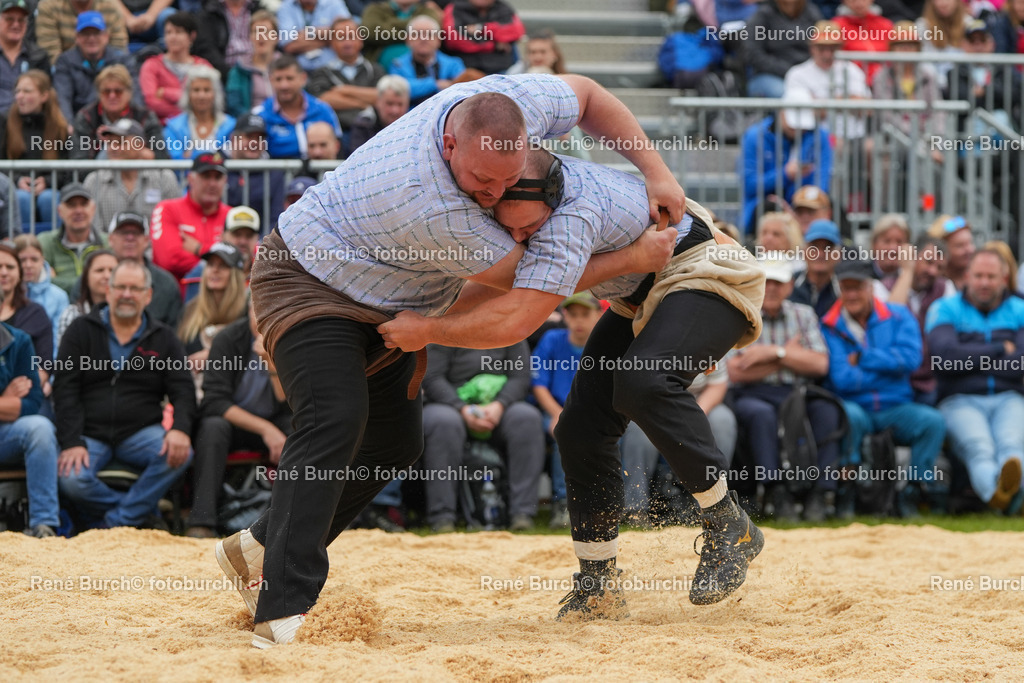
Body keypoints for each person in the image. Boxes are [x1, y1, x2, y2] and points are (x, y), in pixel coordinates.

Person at [215, 73, 685, 647]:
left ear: (528, 139)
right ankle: (280, 604)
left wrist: (657, 173)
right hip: (310, 280)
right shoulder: (429, 199)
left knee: (393, 443)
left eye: (510, 180)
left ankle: (260, 544)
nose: (494, 195)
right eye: (483, 181)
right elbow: (526, 289)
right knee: (333, 421)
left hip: (392, 297)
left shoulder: (506, 108)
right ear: (449, 146)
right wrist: (632, 257)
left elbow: (586, 94)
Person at [471, 151, 765, 618]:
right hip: (642, 297)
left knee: (643, 382)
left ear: (551, 200)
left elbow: (516, 313)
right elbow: (497, 281)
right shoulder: (536, 195)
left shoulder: (577, 212)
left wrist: (426, 331)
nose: (519, 236)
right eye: (509, 228)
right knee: (579, 429)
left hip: (709, 271)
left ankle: (731, 523)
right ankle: (597, 584)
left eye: (525, 225)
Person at [55, 259, 195, 530]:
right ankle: (141, 513)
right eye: (120, 287)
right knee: (71, 479)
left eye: (135, 288)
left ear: (148, 295)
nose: (127, 294)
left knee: (182, 452)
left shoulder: (164, 338)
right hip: (89, 434)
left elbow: (184, 389)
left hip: (141, 433)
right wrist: (72, 441)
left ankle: (113, 523)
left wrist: (180, 428)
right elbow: (64, 389)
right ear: (108, 291)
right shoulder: (80, 330)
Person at [821, 258, 945, 516]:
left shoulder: (899, 316)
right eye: (846, 288)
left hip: (895, 406)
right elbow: (843, 378)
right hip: (858, 407)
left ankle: (913, 491)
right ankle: (849, 491)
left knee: (933, 422)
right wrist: (888, 369)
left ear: (871, 287)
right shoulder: (830, 325)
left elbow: (911, 360)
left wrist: (865, 358)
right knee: (849, 416)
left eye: (858, 287)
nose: (852, 294)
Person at [726, 258, 837, 522]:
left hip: (795, 392)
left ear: (789, 286)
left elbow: (820, 364)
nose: (772, 288)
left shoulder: (804, 314)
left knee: (827, 410)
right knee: (760, 414)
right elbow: (733, 371)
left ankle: (820, 492)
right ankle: (776, 490)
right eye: (767, 282)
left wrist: (770, 353)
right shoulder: (740, 314)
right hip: (750, 393)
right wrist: (791, 356)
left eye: (778, 282)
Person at [926, 249, 1024, 512]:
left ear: (1004, 278)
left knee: (1012, 445)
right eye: (978, 275)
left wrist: (969, 356)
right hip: (959, 400)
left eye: (991, 276)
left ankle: (1001, 495)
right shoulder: (945, 308)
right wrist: (1000, 348)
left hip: (1008, 397)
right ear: (967, 276)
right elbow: (945, 359)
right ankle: (1004, 497)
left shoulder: (1020, 309)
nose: (984, 282)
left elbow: (1019, 365)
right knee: (979, 446)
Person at [187, 299, 290, 537]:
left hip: (276, 420)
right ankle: (201, 522)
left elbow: (288, 403)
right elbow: (214, 401)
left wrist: (271, 362)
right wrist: (266, 429)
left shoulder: (288, 339)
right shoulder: (228, 339)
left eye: (270, 310)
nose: (263, 319)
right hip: (235, 423)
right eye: (257, 311)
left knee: (303, 431)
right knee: (213, 427)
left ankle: (291, 520)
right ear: (247, 312)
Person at [422, 340, 546, 532]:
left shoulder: (511, 325)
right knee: (443, 422)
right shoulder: (444, 322)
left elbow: (520, 377)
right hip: (449, 404)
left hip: (499, 405)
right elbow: (432, 377)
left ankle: (522, 513)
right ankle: (442, 516)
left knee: (527, 418)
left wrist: (499, 404)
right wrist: (461, 408)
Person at [530, 291, 603, 529]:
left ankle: (604, 505)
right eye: (573, 315)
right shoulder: (552, 339)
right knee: (566, 434)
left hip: (597, 413)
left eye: (585, 314)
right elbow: (539, 384)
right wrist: (557, 414)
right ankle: (564, 504)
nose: (579, 320)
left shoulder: (606, 344)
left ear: (598, 315)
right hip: (555, 410)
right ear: (565, 316)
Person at [740, 86, 833, 232]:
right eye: (793, 125)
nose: (798, 130)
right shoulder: (755, 136)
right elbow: (750, 184)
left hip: (804, 204)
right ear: (781, 113)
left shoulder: (819, 136)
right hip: (767, 203)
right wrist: (785, 175)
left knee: (830, 208)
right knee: (768, 208)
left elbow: (822, 179)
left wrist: (804, 204)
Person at [0, 318, 60, 538]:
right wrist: (5, 399)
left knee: (40, 428)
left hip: (5, 433)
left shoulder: (18, 340)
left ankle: (44, 525)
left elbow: (33, 401)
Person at [887, 234, 956, 405]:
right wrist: (907, 271)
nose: (933, 271)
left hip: (930, 381)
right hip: (893, 378)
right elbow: (891, 319)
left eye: (939, 267)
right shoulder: (884, 286)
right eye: (928, 262)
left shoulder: (945, 288)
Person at [83, 118, 182, 233]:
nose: (113, 148)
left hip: (156, 249)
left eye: (120, 143)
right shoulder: (94, 181)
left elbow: (173, 225)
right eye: (110, 143)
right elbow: (95, 232)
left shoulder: (164, 178)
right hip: (107, 250)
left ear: (139, 145)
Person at [0, 69, 69, 234]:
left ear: (44, 96)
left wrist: (48, 182)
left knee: (49, 199)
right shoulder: (4, 122)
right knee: (20, 198)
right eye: (17, 91)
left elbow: (67, 167)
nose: (19, 97)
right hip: (16, 187)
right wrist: (16, 181)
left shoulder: (59, 127)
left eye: (27, 91)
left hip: (48, 188)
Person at [150, 151, 231, 281]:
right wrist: (221, 264)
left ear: (225, 181)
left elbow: (244, 259)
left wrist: (199, 248)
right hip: (177, 297)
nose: (212, 183)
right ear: (191, 179)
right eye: (206, 176)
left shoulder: (231, 215)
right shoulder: (167, 209)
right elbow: (170, 260)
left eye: (217, 177)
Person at [68, 63, 168, 161]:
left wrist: (135, 150)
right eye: (106, 91)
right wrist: (103, 146)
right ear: (98, 94)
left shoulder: (146, 116)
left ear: (129, 93)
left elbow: (161, 158)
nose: (112, 96)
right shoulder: (86, 117)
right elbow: (78, 161)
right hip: (99, 176)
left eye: (118, 91)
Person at [177, 241, 248, 378]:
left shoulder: (247, 311)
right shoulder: (190, 309)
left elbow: (252, 356)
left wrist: (212, 355)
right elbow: (178, 355)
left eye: (223, 265)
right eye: (210, 264)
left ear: (236, 273)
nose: (215, 270)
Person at [52, 10, 136, 123]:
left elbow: (135, 95)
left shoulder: (122, 60)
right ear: (77, 37)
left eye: (96, 33)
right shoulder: (65, 61)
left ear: (106, 36)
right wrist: (69, 126)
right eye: (85, 33)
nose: (91, 38)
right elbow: (62, 98)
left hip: (118, 123)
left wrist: (130, 126)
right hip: (78, 124)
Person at [253, 55, 343, 159]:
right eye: (278, 79)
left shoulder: (323, 110)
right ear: (271, 81)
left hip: (321, 173)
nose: (284, 85)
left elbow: (338, 148)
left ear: (303, 78)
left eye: (289, 78)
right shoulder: (259, 115)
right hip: (276, 174)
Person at [104, 211, 182, 327]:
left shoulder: (166, 284)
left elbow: (175, 331)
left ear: (146, 240)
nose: (130, 238)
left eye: (136, 233)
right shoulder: (96, 277)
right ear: (110, 239)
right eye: (123, 232)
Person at [306, 17, 384, 133]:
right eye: (341, 37)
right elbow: (323, 100)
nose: (347, 42)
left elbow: (382, 96)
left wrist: (344, 90)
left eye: (351, 36)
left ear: (361, 40)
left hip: (373, 133)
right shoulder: (322, 72)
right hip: (339, 133)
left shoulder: (375, 69)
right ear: (332, 43)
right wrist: (362, 103)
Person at [139, 12, 213, 125]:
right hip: (162, 128)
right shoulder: (151, 65)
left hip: (198, 128)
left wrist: (166, 92)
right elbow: (151, 102)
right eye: (168, 32)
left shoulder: (203, 66)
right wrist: (190, 110)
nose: (172, 37)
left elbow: (212, 101)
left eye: (178, 32)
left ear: (192, 36)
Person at [0, 242, 54, 396]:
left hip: (25, 396)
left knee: (37, 422)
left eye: (10, 267)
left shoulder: (35, 313)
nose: (4, 272)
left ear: (19, 274)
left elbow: (44, 366)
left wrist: (17, 393)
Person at [37, 183, 108, 294]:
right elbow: (39, 283)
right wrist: (93, 283)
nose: (78, 211)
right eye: (72, 205)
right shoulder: (44, 242)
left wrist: (56, 281)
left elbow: (113, 284)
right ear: (60, 211)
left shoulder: (108, 243)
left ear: (93, 209)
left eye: (84, 204)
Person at [743, 0, 823, 98]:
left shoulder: (811, 12)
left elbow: (819, 45)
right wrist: (788, 70)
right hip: (770, 75)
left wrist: (803, 72)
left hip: (806, 74)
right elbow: (753, 54)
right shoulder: (762, 14)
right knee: (790, 96)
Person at [388, 15, 466, 107]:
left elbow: (462, 92)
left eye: (429, 34)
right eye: (417, 34)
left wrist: (417, 88)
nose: (423, 39)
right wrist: (435, 84)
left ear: (438, 40)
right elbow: (399, 91)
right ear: (408, 40)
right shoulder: (398, 65)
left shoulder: (454, 64)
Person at [163, 65, 236, 161]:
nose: (201, 96)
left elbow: (231, 157)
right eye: (196, 90)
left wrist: (191, 155)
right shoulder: (174, 127)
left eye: (207, 90)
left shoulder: (231, 125)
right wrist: (214, 156)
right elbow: (176, 160)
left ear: (215, 94)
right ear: (188, 94)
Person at [224, 114, 284, 231]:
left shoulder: (274, 173)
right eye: (249, 137)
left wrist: (263, 246)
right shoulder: (216, 166)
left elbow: (276, 217)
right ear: (233, 139)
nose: (255, 143)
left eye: (260, 138)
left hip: (260, 244)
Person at [441, 0, 524, 76]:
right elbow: (454, 39)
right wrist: (494, 45)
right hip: (467, 68)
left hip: (502, 68)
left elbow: (516, 31)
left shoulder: (503, 8)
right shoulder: (455, 8)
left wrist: (482, 28)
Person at [14, 233, 69, 347]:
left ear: (42, 260)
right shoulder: (5, 294)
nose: (28, 265)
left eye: (34, 259)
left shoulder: (59, 296)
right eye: (22, 260)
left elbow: (59, 340)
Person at [55, 247, 116, 346]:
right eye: (99, 270)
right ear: (86, 277)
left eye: (112, 270)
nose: (107, 276)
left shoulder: (129, 312)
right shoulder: (72, 314)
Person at [225, 10, 280, 118]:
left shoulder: (286, 66)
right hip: (252, 127)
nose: (261, 36)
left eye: (266, 31)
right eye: (256, 31)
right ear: (250, 37)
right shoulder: (238, 70)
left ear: (276, 38)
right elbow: (234, 106)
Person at [35, 0, 127, 63]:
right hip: (65, 73)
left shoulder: (111, 6)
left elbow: (119, 52)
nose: (91, 37)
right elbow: (50, 55)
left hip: (106, 75)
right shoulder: (49, 6)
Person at [0, 0, 51, 115]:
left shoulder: (39, 57)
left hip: (28, 122)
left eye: (21, 20)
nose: (16, 24)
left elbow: (46, 95)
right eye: (9, 19)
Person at [275, 0, 351, 72]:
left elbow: (345, 32)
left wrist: (307, 33)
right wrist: (329, 37)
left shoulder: (334, 3)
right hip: (301, 71)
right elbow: (289, 46)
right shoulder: (286, 7)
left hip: (334, 68)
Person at [193, 0, 259, 80]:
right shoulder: (210, 12)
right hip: (222, 74)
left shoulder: (259, 9)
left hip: (257, 70)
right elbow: (206, 48)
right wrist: (230, 74)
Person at [789, 218, 841, 317]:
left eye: (827, 248)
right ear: (803, 252)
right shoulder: (789, 284)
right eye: (814, 247)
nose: (820, 254)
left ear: (838, 254)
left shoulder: (844, 288)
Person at [359, 0, 439, 65]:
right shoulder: (375, 9)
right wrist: (413, 31)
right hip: (380, 69)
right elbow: (370, 32)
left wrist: (390, 24)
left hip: (422, 68)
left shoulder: (427, 10)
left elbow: (435, 28)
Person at [347, 74, 411, 154]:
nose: (395, 110)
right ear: (378, 102)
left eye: (400, 104)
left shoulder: (414, 125)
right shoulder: (363, 124)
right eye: (389, 104)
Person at [926, 214, 975, 290]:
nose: (970, 250)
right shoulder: (932, 286)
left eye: (970, 243)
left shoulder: (979, 278)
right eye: (960, 246)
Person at [221, 205, 260, 275]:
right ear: (223, 236)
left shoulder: (265, 272)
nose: (243, 241)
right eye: (237, 234)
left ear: (257, 238)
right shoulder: (207, 270)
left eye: (249, 235)